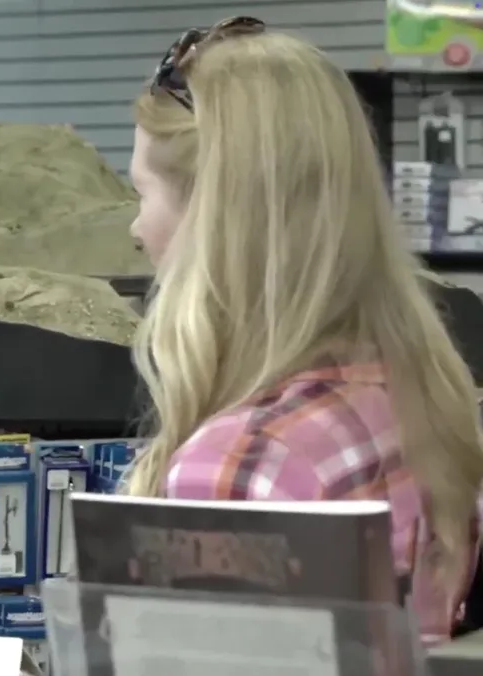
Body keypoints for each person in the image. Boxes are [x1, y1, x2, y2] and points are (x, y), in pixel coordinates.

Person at [124, 18, 483, 644]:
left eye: (142, 193)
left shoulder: (243, 466)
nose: (135, 228)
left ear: (214, 222)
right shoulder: (421, 399)